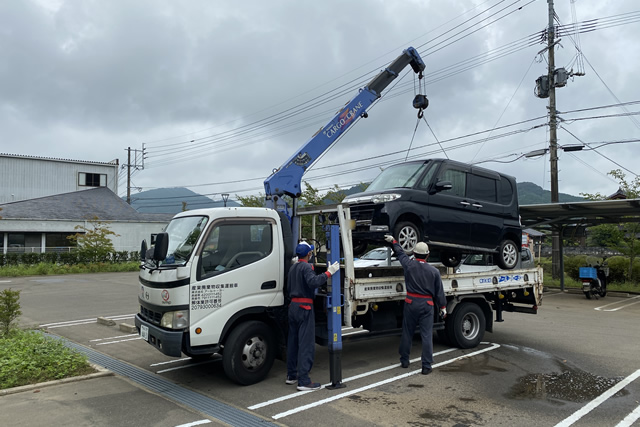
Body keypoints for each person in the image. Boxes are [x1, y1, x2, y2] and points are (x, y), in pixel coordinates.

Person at [385, 235, 446, 375]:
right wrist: (443, 307)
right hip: (427, 304)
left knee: (407, 332)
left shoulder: (409, 265)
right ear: (428, 255)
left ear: (414, 253)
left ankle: (404, 360)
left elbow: (400, 253)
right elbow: (439, 292)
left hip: (411, 302)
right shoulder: (434, 272)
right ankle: (426, 366)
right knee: (426, 335)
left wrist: (394, 241)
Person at [286, 241, 340, 391]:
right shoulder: (306, 267)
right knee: (306, 344)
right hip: (305, 307)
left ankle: (291, 375)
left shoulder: (293, 268)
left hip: (293, 307)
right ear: (309, 254)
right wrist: (329, 272)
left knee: (293, 342)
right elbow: (313, 282)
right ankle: (303, 381)